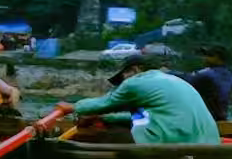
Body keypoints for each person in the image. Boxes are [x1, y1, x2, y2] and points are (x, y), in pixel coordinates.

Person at [72, 55, 221, 145]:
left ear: (135, 70)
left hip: (176, 143)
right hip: (209, 142)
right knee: (121, 126)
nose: (122, 81)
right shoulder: (174, 80)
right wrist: (106, 118)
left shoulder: (135, 82)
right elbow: (141, 118)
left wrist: (71, 107)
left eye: (123, 75)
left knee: (113, 134)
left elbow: (101, 104)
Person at [175, 44, 232, 123]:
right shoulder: (229, 75)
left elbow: (186, 78)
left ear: (218, 58)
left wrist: (164, 72)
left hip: (205, 119)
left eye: (209, 55)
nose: (205, 58)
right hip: (221, 117)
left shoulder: (207, 74)